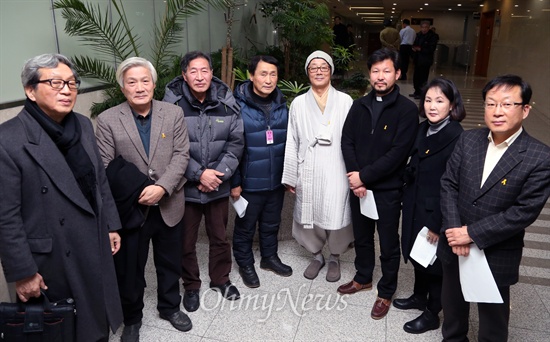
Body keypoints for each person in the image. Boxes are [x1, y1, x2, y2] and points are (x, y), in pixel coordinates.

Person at [0, 53, 123, 342]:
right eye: (55, 83)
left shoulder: (81, 124)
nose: (66, 90)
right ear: (30, 90)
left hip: (92, 237)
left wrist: (111, 224)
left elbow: (98, 180)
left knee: (96, 319)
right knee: (62, 328)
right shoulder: (9, 139)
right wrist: (23, 271)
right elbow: (6, 214)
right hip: (51, 255)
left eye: (71, 83)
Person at [438, 74, 550, 341]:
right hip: (455, 245)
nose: (497, 111)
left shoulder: (539, 156)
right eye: (490, 103)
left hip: (496, 251)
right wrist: (456, 231)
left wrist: (472, 233)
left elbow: (523, 212)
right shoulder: (468, 140)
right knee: (453, 308)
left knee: (493, 321)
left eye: (507, 104)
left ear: (525, 110)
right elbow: (448, 184)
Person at [95, 57, 192, 341]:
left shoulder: (172, 114)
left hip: (169, 204)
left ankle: (170, 307)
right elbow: (104, 165)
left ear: (154, 83)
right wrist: (140, 190)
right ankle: (133, 318)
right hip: (131, 209)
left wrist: (162, 187)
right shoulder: (109, 119)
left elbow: (181, 155)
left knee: (169, 261)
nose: (139, 87)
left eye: (145, 80)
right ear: (123, 88)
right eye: (132, 82)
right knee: (130, 268)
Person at [338, 47, 419, 320]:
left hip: (386, 190)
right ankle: (363, 278)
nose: (380, 76)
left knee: (387, 242)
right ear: (369, 74)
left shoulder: (407, 111)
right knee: (361, 237)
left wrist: (364, 176)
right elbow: (346, 141)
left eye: (386, 71)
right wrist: (354, 176)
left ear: (397, 73)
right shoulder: (358, 105)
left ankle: (386, 291)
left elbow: (398, 154)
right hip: (357, 186)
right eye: (375, 71)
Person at [163, 51, 244, 312]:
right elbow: (169, 147)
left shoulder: (226, 103)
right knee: (186, 240)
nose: (200, 76)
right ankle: (191, 285)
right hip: (184, 187)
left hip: (218, 185)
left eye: (205, 70)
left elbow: (236, 143)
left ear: (212, 73)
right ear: (184, 75)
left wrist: (217, 175)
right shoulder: (172, 106)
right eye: (193, 71)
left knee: (220, 236)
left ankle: (221, 279)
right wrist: (199, 174)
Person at [394, 77, 466, 334]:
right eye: (428, 100)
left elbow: (456, 187)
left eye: (439, 100)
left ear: (452, 104)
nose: (432, 106)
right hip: (414, 204)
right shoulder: (422, 128)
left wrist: (438, 223)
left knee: (435, 265)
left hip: (437, 212)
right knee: (418, 254)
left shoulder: (458, 138)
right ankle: (418, 296)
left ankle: (432, 312)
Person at [282, 50, 353, 283]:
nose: (319, 71)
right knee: (308, 211)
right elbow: (292, 140)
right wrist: (290, 175)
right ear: (307, 73)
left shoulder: (345, 101)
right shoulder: (299, 103)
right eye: (314, 67)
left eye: (324, 67)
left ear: (331, 71)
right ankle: (316, 255)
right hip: (309, 165)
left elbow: (353, 139)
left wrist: (354, 172)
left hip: (337, 164)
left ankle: (334, 256)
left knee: (337, 210)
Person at [230, 55, 292, 288]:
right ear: (251, 75)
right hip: (249, 181)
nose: (268, 79)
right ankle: (245, 263)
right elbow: (232, 147)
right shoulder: (236, 105)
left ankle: (269, 257)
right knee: (245, 226)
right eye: (263, 74)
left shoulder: (281, 103)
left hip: (276, 179)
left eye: (273, 74)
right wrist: (234, 182)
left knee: (271, 223)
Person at [410, 21, 438, 98]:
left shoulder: (432, 36)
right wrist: (414, 48)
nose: (424, 29)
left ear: (428, 28)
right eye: (423, 27)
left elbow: (431, 48)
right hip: (417, 59)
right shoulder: (418, 35)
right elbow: (415, 44)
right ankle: (416, 91)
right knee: (416, 77)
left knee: (423, 77)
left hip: (425, 60)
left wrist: (421, 49)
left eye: (426, 27)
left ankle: (421, 93)